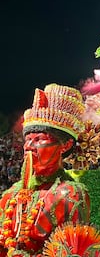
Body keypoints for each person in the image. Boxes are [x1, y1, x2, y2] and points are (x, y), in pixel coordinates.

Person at [0, 84, 90, 256]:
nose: (28, 146)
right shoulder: (10, 196)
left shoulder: (70, 195)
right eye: (28, 139)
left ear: (66, 145)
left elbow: (74, 250)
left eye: (39, 139)